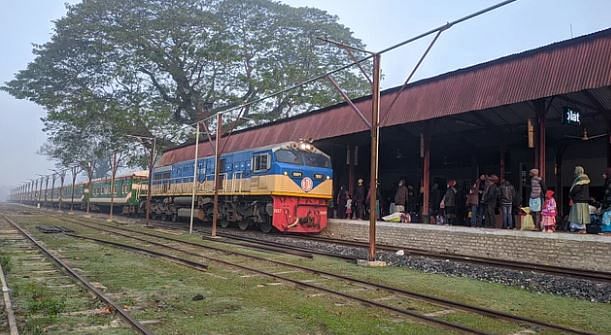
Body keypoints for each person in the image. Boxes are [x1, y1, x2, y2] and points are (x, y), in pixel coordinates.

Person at [568, 166, 590, 233]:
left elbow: (576, 189)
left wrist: (571, 193)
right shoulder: (586, 179)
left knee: (578, 214)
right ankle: (577, 227)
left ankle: (580, 228)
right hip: (584, 199)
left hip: (579, 199)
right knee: (581, 214)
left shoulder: (580, 179)